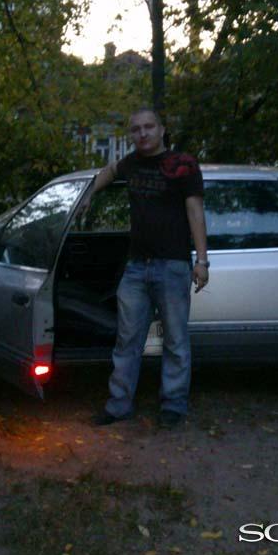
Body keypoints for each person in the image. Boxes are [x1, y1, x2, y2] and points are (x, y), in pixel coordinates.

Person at [87, 108, 209, 429]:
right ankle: (118, 405)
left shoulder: (184, 165)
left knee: (175, 341)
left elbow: (195, 212)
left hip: (173, 265)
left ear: (162, 129)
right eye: (136, 129)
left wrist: (201, 261)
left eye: (149, 127)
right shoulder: (131, 163)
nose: (142, 133)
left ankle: (173, 406)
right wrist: (89, 193)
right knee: (127, 340)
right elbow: (109, 171)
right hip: (136, 266)